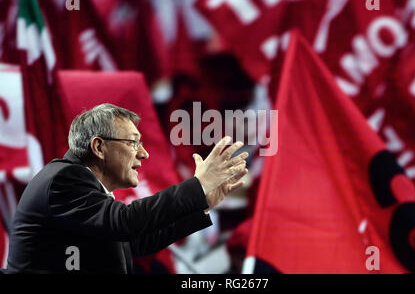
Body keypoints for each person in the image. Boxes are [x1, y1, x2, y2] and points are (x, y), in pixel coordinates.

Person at [5, 103, 248, 274]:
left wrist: (202, 203)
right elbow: (125, 221)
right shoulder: (64, 179)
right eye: (133, 142)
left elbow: (135, 241)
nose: (144, 153)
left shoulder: (84, 185)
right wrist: (197, 186)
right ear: (99, 147)